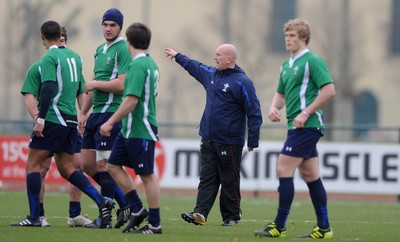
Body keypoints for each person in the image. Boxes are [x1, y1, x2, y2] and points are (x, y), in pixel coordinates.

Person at [11, 20, 114, 228]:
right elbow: (81, 90)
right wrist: (82, 114)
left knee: (33, 165)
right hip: (70, 121)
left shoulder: (50, 57)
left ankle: (34, 217)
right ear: (60, 35)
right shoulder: (75, 58)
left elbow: (48, 88)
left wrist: (40, 119)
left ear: (42, 38)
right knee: (67, 169)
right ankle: (102, 200)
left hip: (52, 118)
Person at [164, 44, 263, 226]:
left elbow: (254, 112)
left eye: (218, 54)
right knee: (207, 178)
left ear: (229, 59)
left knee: (229, 180)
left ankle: (231, 217)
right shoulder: (211, 74)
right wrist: (178, 56)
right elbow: (194, 66)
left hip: (230, 142)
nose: (214, 57)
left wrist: (253, 139)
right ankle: (200, 213)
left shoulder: (243, 82)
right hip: (208, 138)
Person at [254, 18, 335, 239]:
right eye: (287, 35)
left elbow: (329, 90)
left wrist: (306, 112)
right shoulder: (286, 65)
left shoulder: (312, 61)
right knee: (310, 174)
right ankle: (324, 227)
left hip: (308, 125)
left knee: (283, 168)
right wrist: (273, 107)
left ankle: (278, 226)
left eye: (292, 36)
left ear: (304, 38)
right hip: (295, 126)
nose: (288, 39)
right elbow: (280, 93)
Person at [19, 26, 92, 228]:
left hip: (67, 122)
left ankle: (75, 214)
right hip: (49, 121)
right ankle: (39, 215)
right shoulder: (39, 66)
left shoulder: (71, 64)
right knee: (41, 168)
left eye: (64, 38)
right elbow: (29, 95)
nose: (62, 42)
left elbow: (81, 90)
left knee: (75, 166)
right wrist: (37, 117)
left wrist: (83, 114)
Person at [99, 22, 162, 234]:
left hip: (140, 129)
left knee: (147, 175)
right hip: (129, 130)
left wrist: (109, 122)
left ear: (129, 41)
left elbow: (131, 101)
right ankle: (137, 209)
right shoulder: (151, 63)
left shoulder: (137, 65)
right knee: (113, 165)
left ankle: (155, 224)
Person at [78, 8, 131, 229]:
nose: (108, 29)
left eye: (113, 25)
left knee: (104, 165)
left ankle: (105, 217)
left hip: (111, 113)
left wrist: (95, 84)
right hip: (95, 114)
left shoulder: (123, 49)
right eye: (105, 24)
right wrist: (82, 112)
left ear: (120, 27)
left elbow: (121, 84)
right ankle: (126, 204)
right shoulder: (100, 49)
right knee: (87, 164)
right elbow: (93, 84)